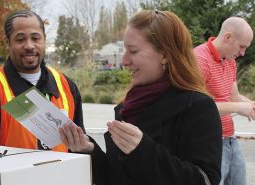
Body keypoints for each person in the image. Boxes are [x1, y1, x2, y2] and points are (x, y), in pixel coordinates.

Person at [59, 10, 222, 185]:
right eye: (125, 50)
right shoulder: (129, 106)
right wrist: (89, 150)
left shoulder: (198, 107)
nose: (124, 61)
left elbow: (205, 180)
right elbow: (115, 175)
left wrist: (143, 151)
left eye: (133, 51)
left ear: (165, 54)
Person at [0, 10, 84, 152]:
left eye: (35, 38)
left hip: (60, 174)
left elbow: (79, 148)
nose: (29, 46)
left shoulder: (67, 86)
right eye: (20, 39)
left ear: (44, 39)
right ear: (7, 42)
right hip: (11, 174)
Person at [194, 17, 255, 185]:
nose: (242, 53)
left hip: (230, 139)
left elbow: (234, 97)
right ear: (228, 37)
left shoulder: (230, 60)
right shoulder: (199, 60)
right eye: (241, 46)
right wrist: (237, 107)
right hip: (208, 142)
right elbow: (196, 107)